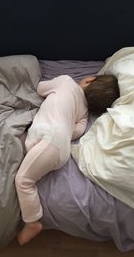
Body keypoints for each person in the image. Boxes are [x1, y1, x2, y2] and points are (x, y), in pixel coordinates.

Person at [15, 74, 119, 245]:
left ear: (89, 80)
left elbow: (41, 88)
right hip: (59, 148)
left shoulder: (65, 82)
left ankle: (32, 222)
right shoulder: (84, 113)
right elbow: (76, 132)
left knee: (23, 181)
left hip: (50, 141)